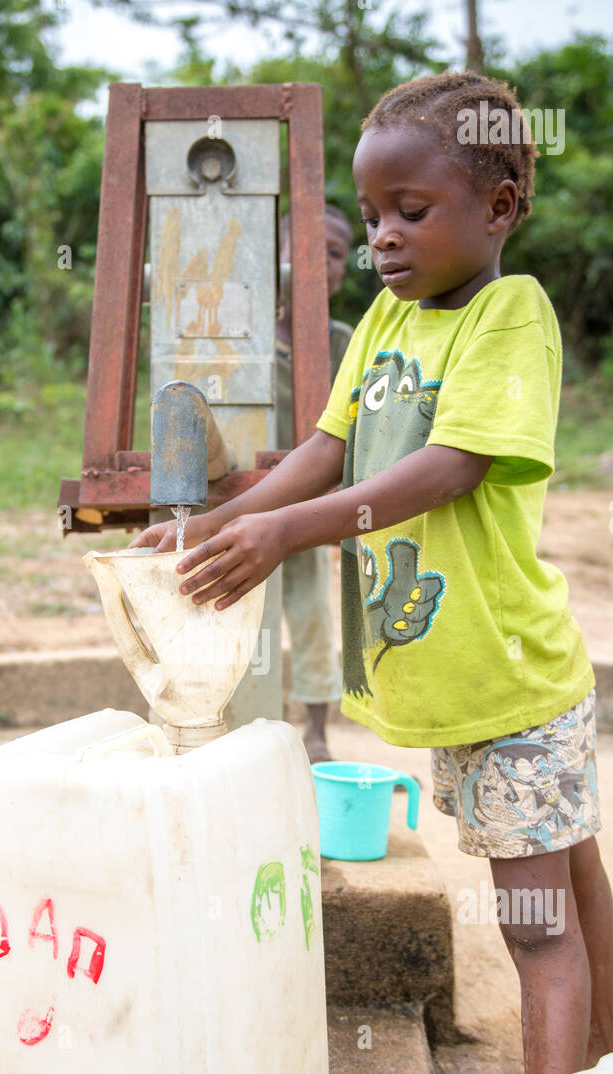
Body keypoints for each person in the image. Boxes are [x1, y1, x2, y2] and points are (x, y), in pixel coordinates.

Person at [130, 70, 613, 1074]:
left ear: (499, 204)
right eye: (373, 215)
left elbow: (451, 467)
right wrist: (218, 518)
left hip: (508, 674)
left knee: (536, 927)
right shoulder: (393, 328)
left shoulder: (508, 317)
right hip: (457, 675)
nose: (384, 239)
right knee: (573, 857)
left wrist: (295, 537)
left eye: (412, 211)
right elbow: (330, 444)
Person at [277, 206, 354, 762]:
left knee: (313, 613)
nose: (316, 262)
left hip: (309, 500)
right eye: (302, 246)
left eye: (333, 253)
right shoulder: (245, 336)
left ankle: (317, 730)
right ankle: (255, 720)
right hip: (244, 494)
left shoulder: (345, 341)